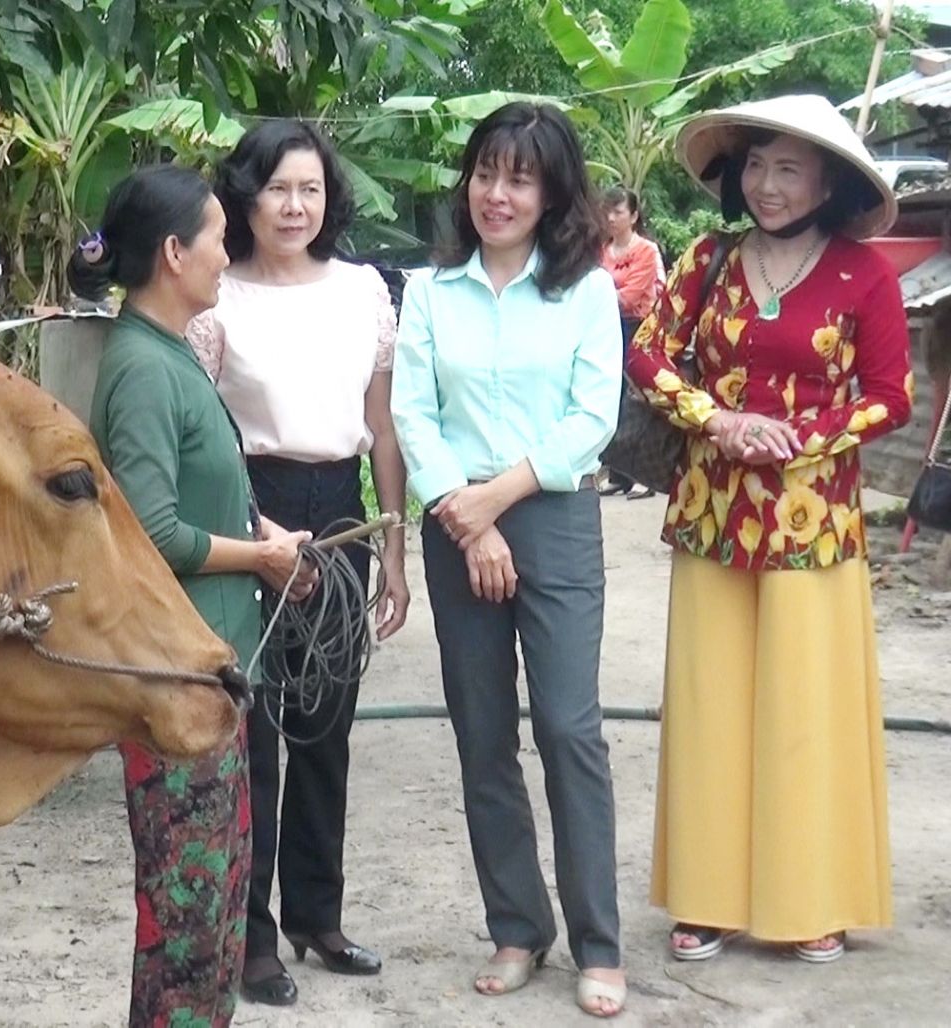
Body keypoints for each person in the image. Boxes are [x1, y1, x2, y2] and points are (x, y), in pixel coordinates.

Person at [629, 94, 912, 967]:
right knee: (712, 708)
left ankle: (807, 899)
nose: (767, 183)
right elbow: (646, 351)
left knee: (803, 711)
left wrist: (797, 439)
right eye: (757, 164)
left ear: (828, 181)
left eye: (790, 168)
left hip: (813, 520)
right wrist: (716, 420)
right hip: (713, 513)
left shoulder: (864, 274)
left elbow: (890, 395)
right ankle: (709, 901)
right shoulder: (706, 258)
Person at [389, 101, 627, 1017]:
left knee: (570, 730)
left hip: (554, 517)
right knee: (484, 734)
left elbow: (591, 416)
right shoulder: (433, 289)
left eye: (520, 177)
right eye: (486, 173)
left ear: (553, 190)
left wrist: (499, 498)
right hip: (459, 529)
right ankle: (518, 927)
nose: (498, 193)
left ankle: (598, 944)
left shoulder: (587, 291)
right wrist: (468, 517)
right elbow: (414, 414)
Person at [73, 164, 316, 1028]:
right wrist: (258, 558)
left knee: (214, 913)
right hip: (174, 686)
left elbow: (204, 498)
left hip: (212, 678)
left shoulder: (170, 354)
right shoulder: (141, 368)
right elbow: (151, 535)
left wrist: (266, 534)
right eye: (217, 235)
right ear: (174, 254)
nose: (228, 252)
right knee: (184, 921)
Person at [191, 120, 409, 1007]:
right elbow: (204, 441)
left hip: (343, 515)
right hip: (252, 509)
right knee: (255, 740)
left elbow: (383, 427)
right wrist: (260, 535)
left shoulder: (364, 290)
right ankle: (252, 939)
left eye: (311, 189)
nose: (295, 205)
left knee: (326, 727)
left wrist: (392, 549)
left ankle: (320, 915)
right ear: (245, 195)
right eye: (278, 187)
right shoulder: (216, 300)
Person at [599, 185, 665, 499]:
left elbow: (631, 296)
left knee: (639, 399)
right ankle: (618, 473)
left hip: (640, 328)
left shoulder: (647, 251)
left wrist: (598, 296)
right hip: (607, 327)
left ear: (634, 216)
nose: (611, 217)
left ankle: (643, 476)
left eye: (618, 211)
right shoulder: (601, 250)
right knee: (610, 395)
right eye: (607, 211)